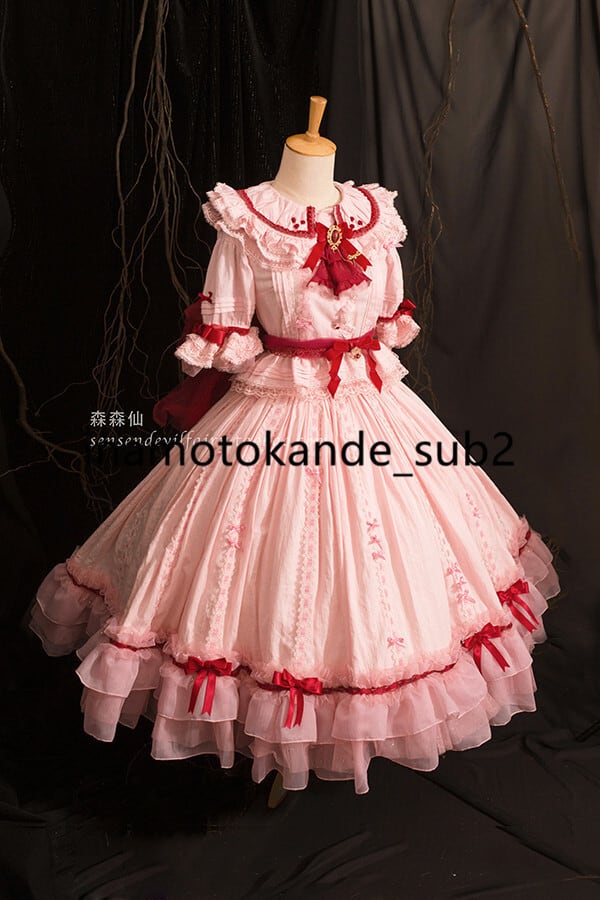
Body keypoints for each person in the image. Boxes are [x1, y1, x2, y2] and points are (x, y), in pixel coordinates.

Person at [29, 98, 560, 794]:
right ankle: (273, 733)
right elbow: (226, 330)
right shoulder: (246, 220)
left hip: (370, 408)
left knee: (388, 566)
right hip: (272, 410)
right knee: (261, 564)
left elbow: (387, 320)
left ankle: (333, 726)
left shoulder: (374, 215)